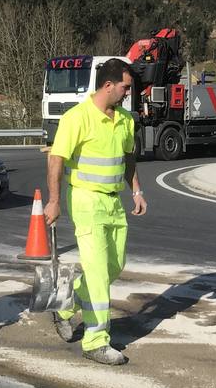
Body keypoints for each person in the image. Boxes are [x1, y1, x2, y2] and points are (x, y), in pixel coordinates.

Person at [44, 59, 147, 365]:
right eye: (125, 88)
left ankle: (63, 307)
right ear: (108, 85)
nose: (128, 93)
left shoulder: (126, 120)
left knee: (115, 265)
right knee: (99, 271)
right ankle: (96, 341)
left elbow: (128, 160)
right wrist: (54, 200)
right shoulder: (77, 118)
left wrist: (137, 191)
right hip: (86, 201)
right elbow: (56, 160)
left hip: (113, 202)